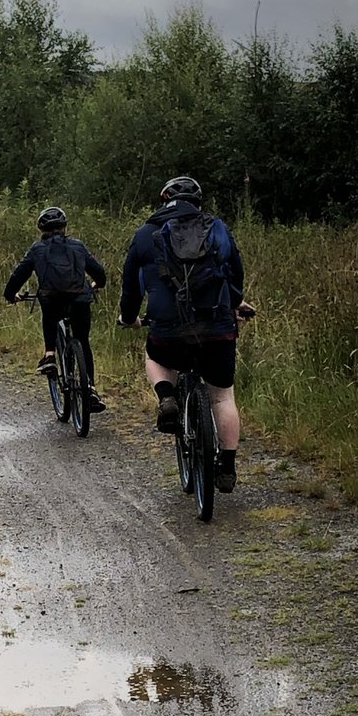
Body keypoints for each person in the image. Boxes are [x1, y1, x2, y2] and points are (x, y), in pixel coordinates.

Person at [117, 175, 255, 493]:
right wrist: (234, 303)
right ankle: (228, 467)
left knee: (154, 355)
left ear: (165, 200)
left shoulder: (145, 234)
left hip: (168, 330)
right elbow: (235, 271)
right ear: (198, 203)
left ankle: (167, 398)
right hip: (217, 326)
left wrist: (128, 318)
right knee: (222, 395)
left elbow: (130, 287)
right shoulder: (217, 228)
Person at [3, 206, 107, 411]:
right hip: (80, 299)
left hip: (52, 300)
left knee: (49, 311)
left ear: (41, 229)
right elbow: (99, 273)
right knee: (83, 341)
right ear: (64, 227)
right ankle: (90, 387)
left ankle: (50, 354)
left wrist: (10, 295)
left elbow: (19, 275)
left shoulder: (37, 249)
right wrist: (97, 285)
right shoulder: (78, 246)